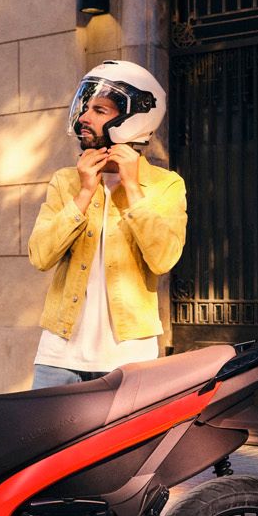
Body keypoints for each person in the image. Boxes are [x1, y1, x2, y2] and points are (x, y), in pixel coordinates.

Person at [27, 60, 188, 388]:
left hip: (129, 356)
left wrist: (131, 187)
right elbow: (40, 256)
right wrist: (85, 192)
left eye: (99, 110)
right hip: (59, 354)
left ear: (136, 118)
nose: (84, 117)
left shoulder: (165, 185)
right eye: (85, 108)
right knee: (43, 440)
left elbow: (163, 259)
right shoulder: (66, 181)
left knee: (128, 442)